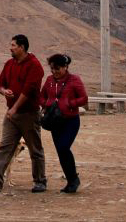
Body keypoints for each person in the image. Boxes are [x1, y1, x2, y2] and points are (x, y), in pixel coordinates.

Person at [0, 34, 46, 194]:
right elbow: (1, 83)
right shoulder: (9, 64)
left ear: (22, 47)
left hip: (29, 114)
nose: (10, 48)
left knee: (34, 148)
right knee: (5, 146)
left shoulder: (35, 66)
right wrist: (4, 91)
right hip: (12, 115)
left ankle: (40, 181)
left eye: (13, 45)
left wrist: (14, 108)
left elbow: (29, 90)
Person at [39, 53, 88, 194]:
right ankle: (71, 181)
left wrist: (69, 103)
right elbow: (41, 96)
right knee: (61, 152)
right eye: (52, 69)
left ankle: (73, 179)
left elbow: (84, 98)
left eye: (58, 68)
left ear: (66, 67)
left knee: (64, 147)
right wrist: (47, 103)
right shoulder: (49, 80)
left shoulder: (75, 80)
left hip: (70, 121)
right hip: (54, 121)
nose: (54, 71)